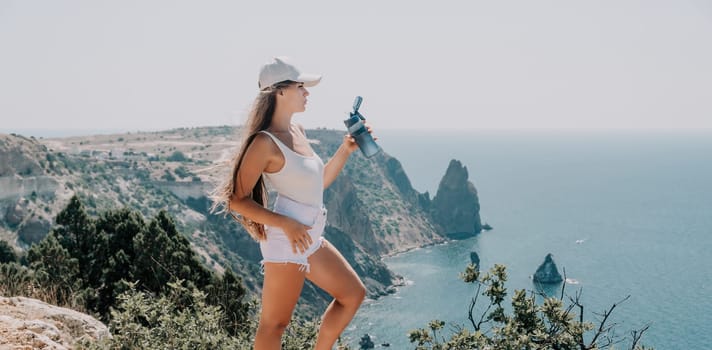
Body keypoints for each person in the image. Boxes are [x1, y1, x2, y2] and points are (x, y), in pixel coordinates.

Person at [211, 56, 368, 350]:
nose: (307, 92)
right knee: (274, 324)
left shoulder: (298, 132)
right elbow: (236, 200)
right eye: (301, 86)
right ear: (279, 92)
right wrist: (285, 223)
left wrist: (346, 149)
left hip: (309, 234)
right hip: (286, 236)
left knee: (352, 295)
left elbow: (316, 184)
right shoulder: (264, 142)